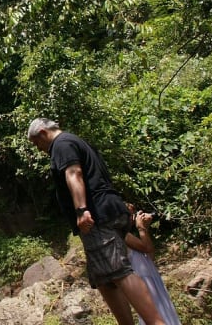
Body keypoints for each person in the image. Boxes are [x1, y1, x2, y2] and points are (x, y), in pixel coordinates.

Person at [27, 118, 165, 325]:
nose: (38, 149)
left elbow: (74, 173)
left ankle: (156, 322)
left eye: (36, 143)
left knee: (118, 272)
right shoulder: (75, 141)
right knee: (104, 279)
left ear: (43, 133)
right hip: (109, 211)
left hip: (97, 216)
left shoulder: (61, 144)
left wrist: (82, 210)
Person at [125, 203, 181, 325]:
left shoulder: (130, 236)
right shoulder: (123, 235)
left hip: (152, 281)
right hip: (144, 284)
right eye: (128, 215)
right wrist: (141, 228)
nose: (132, 218)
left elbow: (149, 256)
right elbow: (147, 247)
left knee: (164, 314)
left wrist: (145, 228)